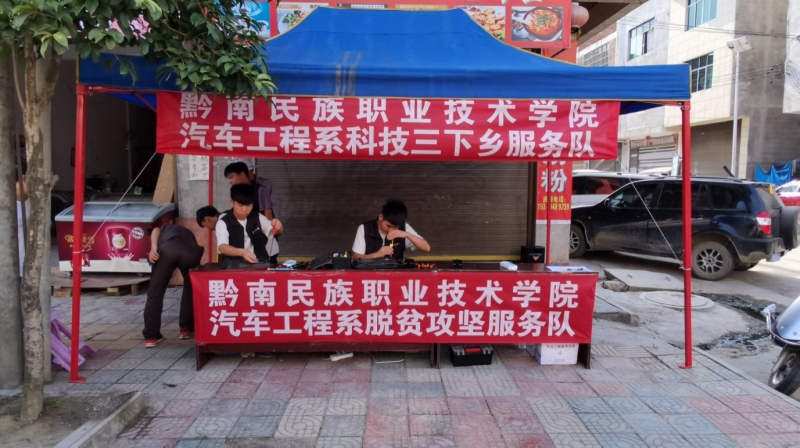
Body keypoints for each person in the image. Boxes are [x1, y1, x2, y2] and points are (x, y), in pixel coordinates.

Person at [142, 219, 206, 347]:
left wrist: (154, 247)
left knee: (155, 292)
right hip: (190, 252)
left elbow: (156, 230)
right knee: (190, 289)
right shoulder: (185, 232)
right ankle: (186, 328)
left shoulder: (164, 228)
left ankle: (151, 336)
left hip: (168, 251)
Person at [216, 184, 284, 264]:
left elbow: (277, 232)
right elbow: (222, 247)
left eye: (248, 205)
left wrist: (279, 226)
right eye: (240, 205)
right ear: (231, 202)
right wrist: (242, 252)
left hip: (259, 264)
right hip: (234, 266)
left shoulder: (258, 217)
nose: (244, 209)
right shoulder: (223, 222)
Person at [352, 199, 430, 260]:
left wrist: (407, 235)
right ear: (381, 217)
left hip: (395, 274)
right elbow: (356, 257)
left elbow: (427, 248)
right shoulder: (365, 228)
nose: (391, 230)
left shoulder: (404, 227)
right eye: (389, 226)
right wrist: (377, 254)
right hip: (370, 273)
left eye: (396, 227)